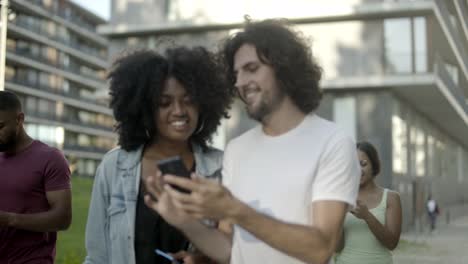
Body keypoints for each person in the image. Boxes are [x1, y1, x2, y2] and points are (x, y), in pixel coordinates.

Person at [144, 18, 360, 264]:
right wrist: (183, 220)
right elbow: (228, 250)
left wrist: (235, 209)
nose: (239, 82)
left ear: (283, 67)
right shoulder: (237, 149)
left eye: (251, 68)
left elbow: (320, 248)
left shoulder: (332, 143)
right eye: (236, 74)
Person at [83, 46, 233, 264]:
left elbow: (237, 253)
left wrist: (205, 260)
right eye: (165, 103)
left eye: (188, 100)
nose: (179, 110)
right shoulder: (114, 166)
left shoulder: (224, 167)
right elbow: (97, 256)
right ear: (144, 108)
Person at [0, 91, 72, 263]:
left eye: (0, 126)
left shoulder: (51, 158)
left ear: (19, 119)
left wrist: (10, 219)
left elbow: (63, 218)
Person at [335, 141, 402, 264]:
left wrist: (367, 216)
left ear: (374, 165)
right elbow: (338, 247)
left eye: (363, 164)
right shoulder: (342, 198)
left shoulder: (391, 198)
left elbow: (392, 243)